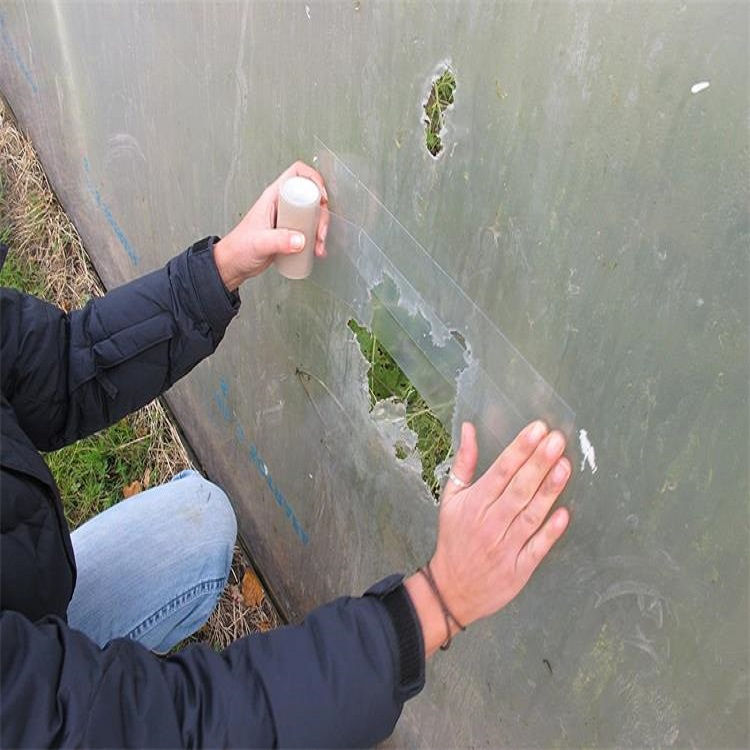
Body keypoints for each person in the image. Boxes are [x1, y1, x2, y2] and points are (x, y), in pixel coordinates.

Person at [0, 162, 571, 748]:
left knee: (199, 521)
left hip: (26, 607)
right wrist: (437, 603)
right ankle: (67, 665)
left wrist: (218, 271)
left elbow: (63, 361)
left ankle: (60, 653)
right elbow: (178, 729)